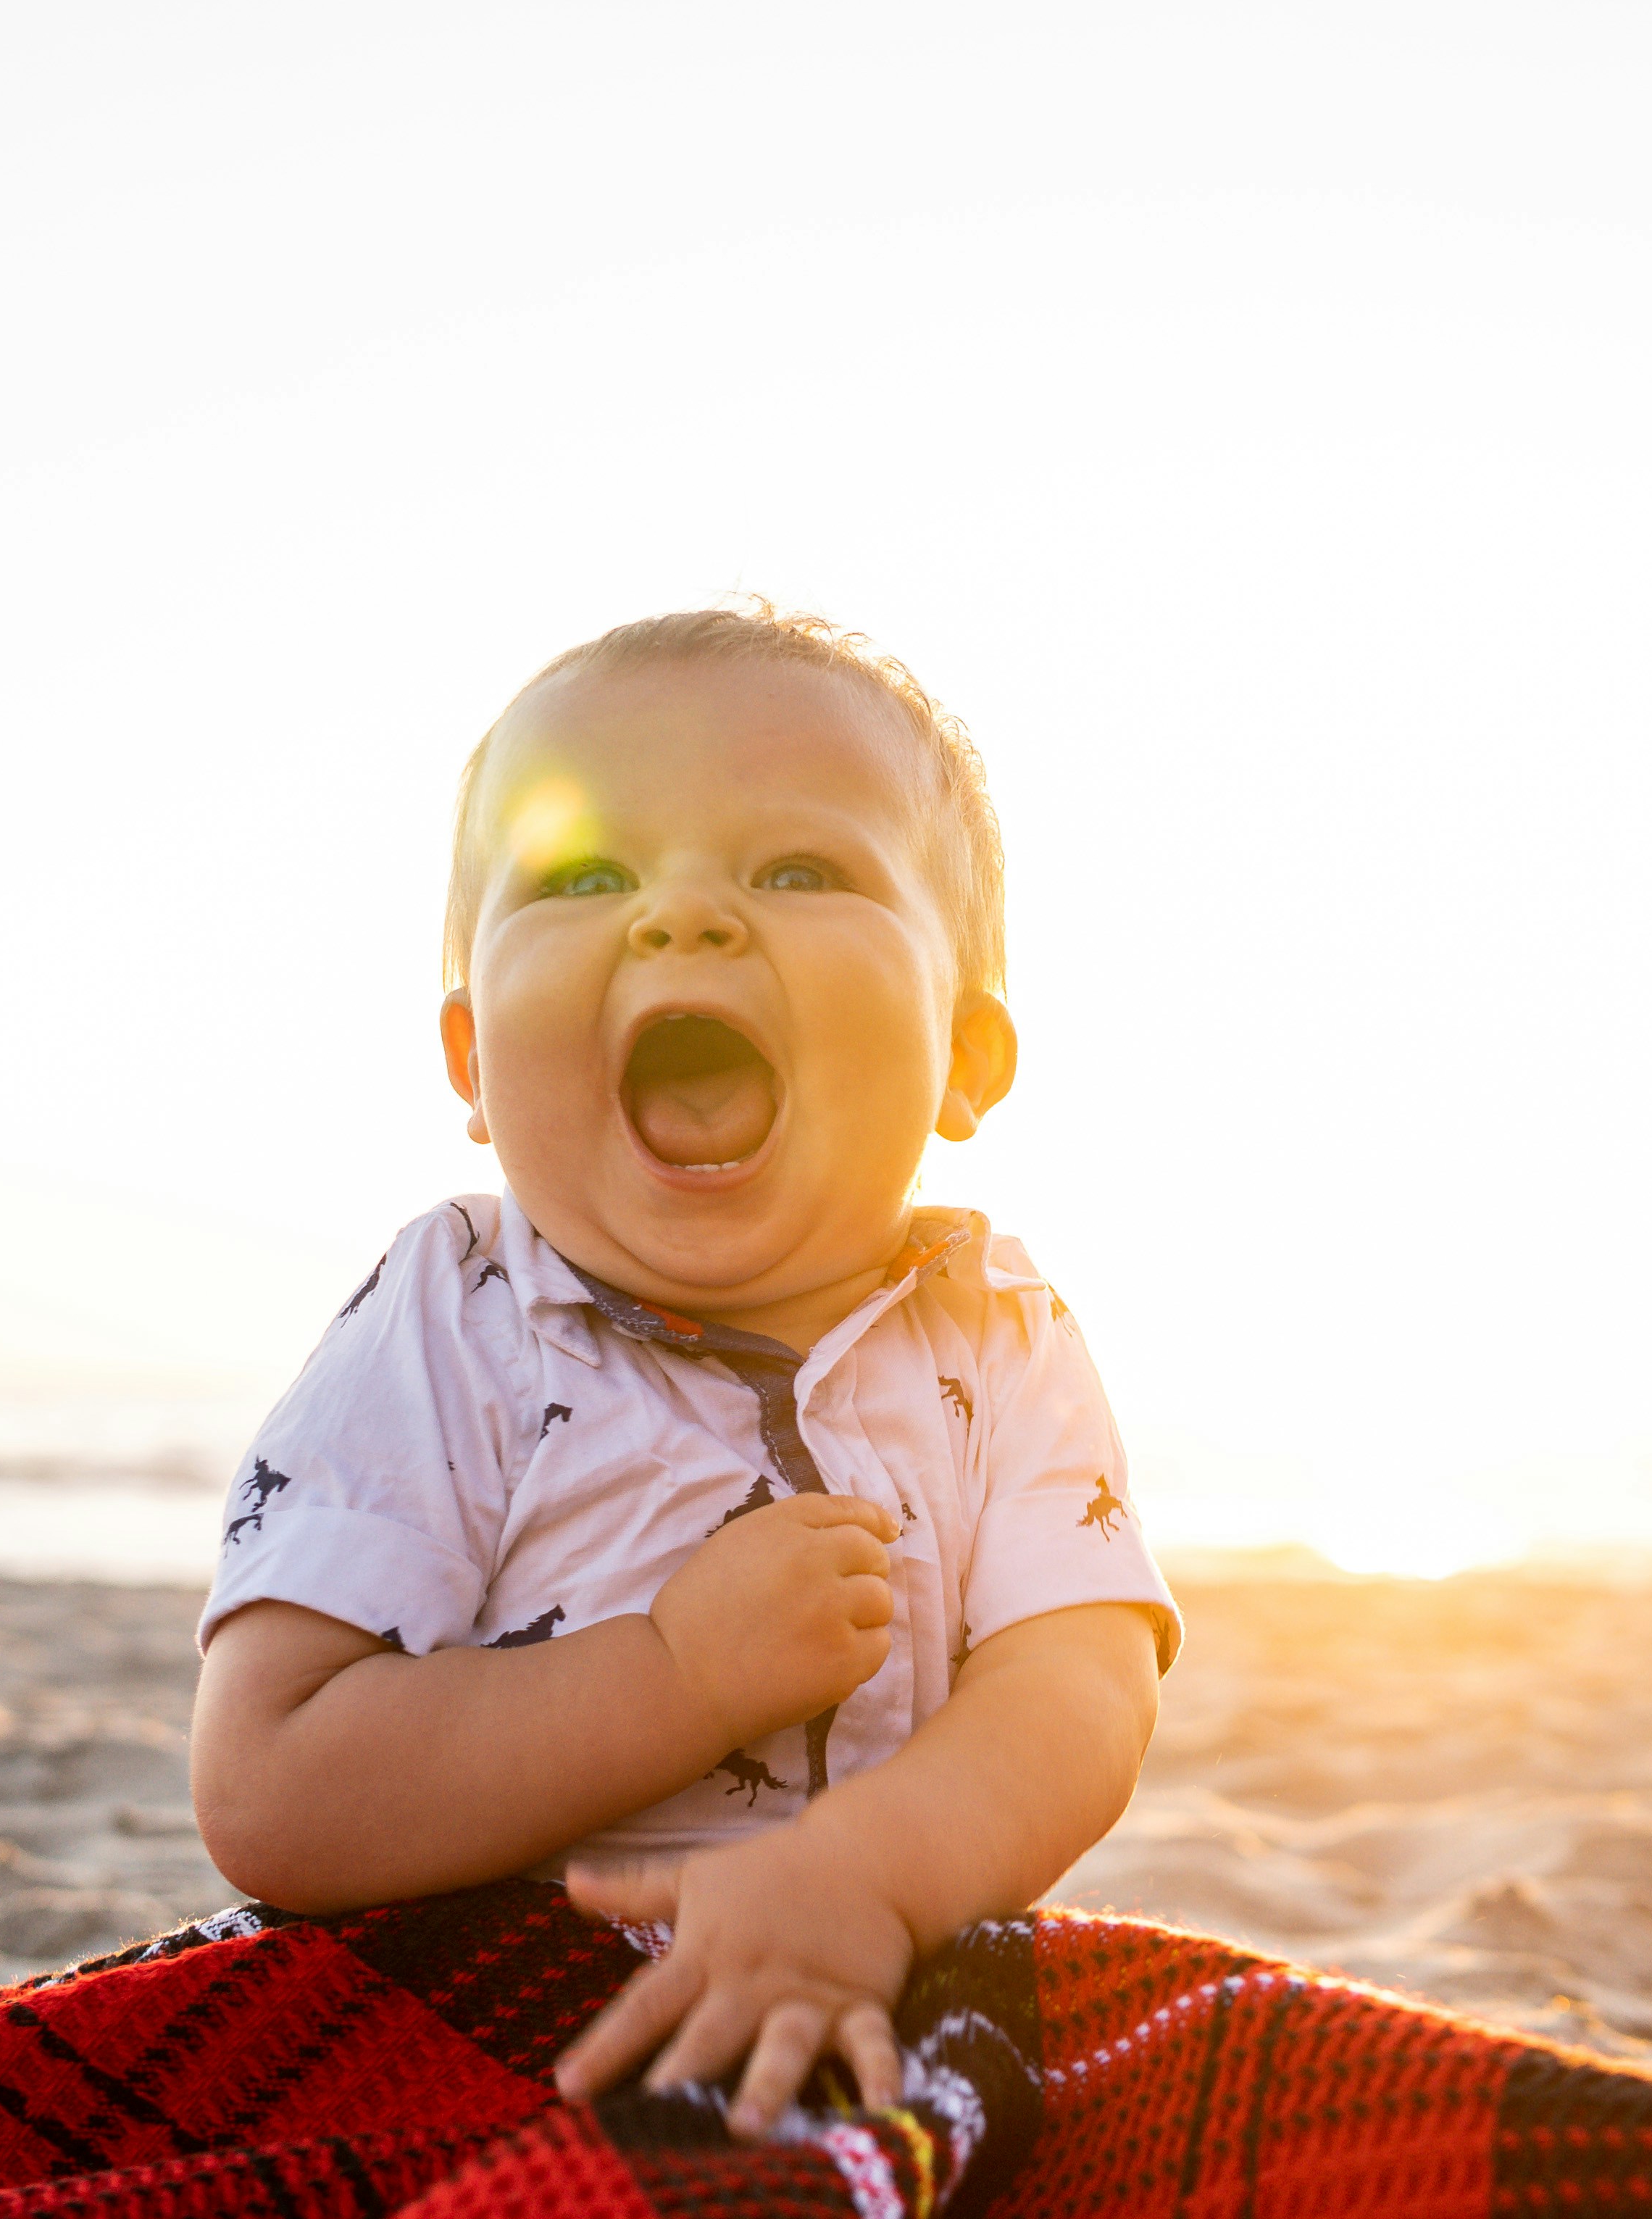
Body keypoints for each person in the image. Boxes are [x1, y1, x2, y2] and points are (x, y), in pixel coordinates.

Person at [187, 606, 1175, 2136]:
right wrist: (675, 1676)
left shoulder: (999, 1326)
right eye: (587, 875)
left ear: (964, 1051)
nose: (683, 916)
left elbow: (1082, 1688)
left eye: (798, 868)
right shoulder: (455, 1309)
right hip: (473, 2019)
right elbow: (273, 1779)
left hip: (879, 1975)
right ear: (469, 1057)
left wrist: (870, 1873)